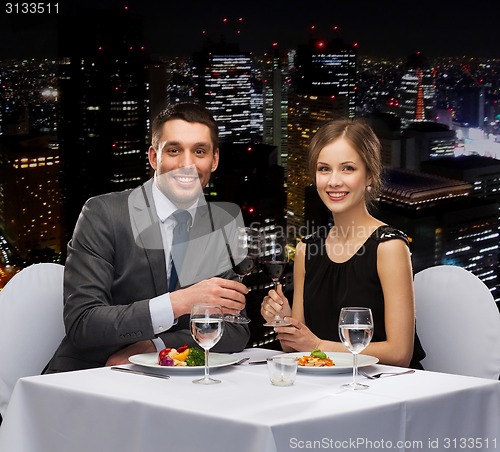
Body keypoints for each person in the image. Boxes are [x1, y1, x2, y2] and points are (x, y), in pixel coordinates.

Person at [44, 102, 250, 373]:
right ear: (154, 157)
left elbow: (236, 329)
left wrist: (158, 345)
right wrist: (179, 303)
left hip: (171, 387)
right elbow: (83, 324)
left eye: (199, 151)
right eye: (174, 151)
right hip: (90, 380)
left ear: (214, 160)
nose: (186, 164)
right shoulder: (103, 213)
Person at [261, 118, 425, 369]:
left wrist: (317, 346)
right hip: (323, 387)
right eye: (324, 169)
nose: (333, 181)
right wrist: (284, 321)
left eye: (348, 168)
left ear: (370, 175)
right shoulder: (307, 249)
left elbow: (400, 353)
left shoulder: (389, 246)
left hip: (384, 389)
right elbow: (293, 348)